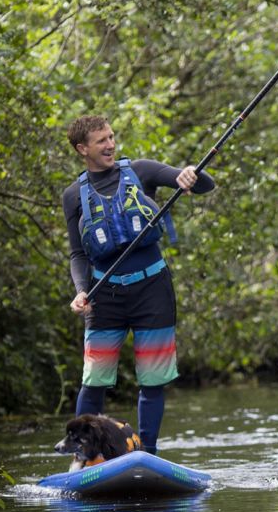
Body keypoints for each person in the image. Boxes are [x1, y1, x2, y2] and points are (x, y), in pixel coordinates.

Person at [62, 115, 216, 455]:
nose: (110, 145)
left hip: (152, 292)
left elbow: (206, 185)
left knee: (152, 381)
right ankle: (82, 455)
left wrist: (191, 174)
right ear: (81, 148)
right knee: (94, 381)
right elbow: (77, 254)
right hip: (106, 297)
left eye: (112, 137)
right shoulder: (73, 195)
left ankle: (147, 454)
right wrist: (80, 289)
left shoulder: (142, 171)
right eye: (101, 140)